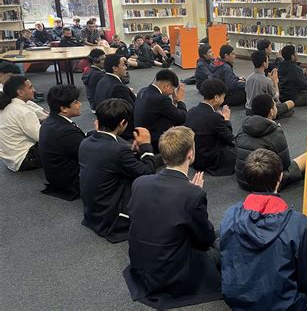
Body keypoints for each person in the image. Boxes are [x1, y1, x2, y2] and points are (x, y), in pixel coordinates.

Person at [220, 148, 307, 310]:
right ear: (280, 177)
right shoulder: (297, 223)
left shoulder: (230, 214)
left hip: (239, 302)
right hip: (286, 306)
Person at [123, 126, 221, 309]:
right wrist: (193, 193)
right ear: (190, 154)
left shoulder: (140, 182)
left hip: (141, 264)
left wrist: (190, 192)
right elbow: (204, 240)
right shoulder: (192, 195)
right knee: (226, 238)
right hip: (173, 273)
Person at [79, 98, 157, 243]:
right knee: (152, 186)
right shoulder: (119, 150)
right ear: (122, 123)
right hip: (112, 216)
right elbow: (148, 173)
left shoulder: (86, 141)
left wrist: (131, 151)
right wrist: (146, 147)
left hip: (92, 211)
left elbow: (112, 157)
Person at [235, 93, 305, 190]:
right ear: (271, 112)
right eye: (275, 106)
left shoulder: (243, 126)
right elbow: (285, 164)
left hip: (243, 179)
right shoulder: (275, 131)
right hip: (266, 184)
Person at [39, 85, 85, 201]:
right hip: (71, 181)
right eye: (76, 102)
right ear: (64, 108)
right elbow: (89, 154)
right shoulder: (65, 131)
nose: (80, 104)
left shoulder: (51, 121)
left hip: (57, 176)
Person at [185, 78, 235, 176]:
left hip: (194, 158)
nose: (223, 101)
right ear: (216, 98)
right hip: (210, 160)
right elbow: (229, 138)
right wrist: (226, 120)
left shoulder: (191, 111)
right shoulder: (216, 118)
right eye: (222, 97)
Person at [134, 69, 187, 153]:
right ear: (166, 86)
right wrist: (181, 100)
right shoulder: (161, 99)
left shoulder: (143, 90)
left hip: (141, 137)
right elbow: (182, 117)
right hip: (155, 143)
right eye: (172, 89)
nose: (172, 93)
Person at [0, 76, 42, 171]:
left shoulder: (6, 105)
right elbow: (41, 137)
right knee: (60, 139)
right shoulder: (24, 112)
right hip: (24, 159)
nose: (34, 90)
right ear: (20, 92)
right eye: (30, 87)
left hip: (10, 159)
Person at [95, 54, 136, 140]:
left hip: (106, 125)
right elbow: (132, 110)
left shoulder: (102, 80)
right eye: (123, 65)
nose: (126, 67)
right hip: (123, 132)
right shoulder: (118, 87)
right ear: (115, 68)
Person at [245, 50, 294, 118]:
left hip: (249, 110)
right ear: (264, 63)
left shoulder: (249, 78)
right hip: (263, 112)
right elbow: (276, 98)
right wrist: (275, 82)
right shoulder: (267, 81)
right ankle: (273, 116)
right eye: (267, 60)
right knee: (291, 104)